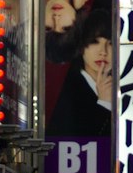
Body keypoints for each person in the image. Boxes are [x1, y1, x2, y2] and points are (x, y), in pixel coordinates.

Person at [47, 8, 115, 139]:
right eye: (94, 42)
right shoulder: (66, 88)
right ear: (82, 46)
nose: (103, 51)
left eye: (110, 44)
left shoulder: (123, 86)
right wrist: (105, 103)